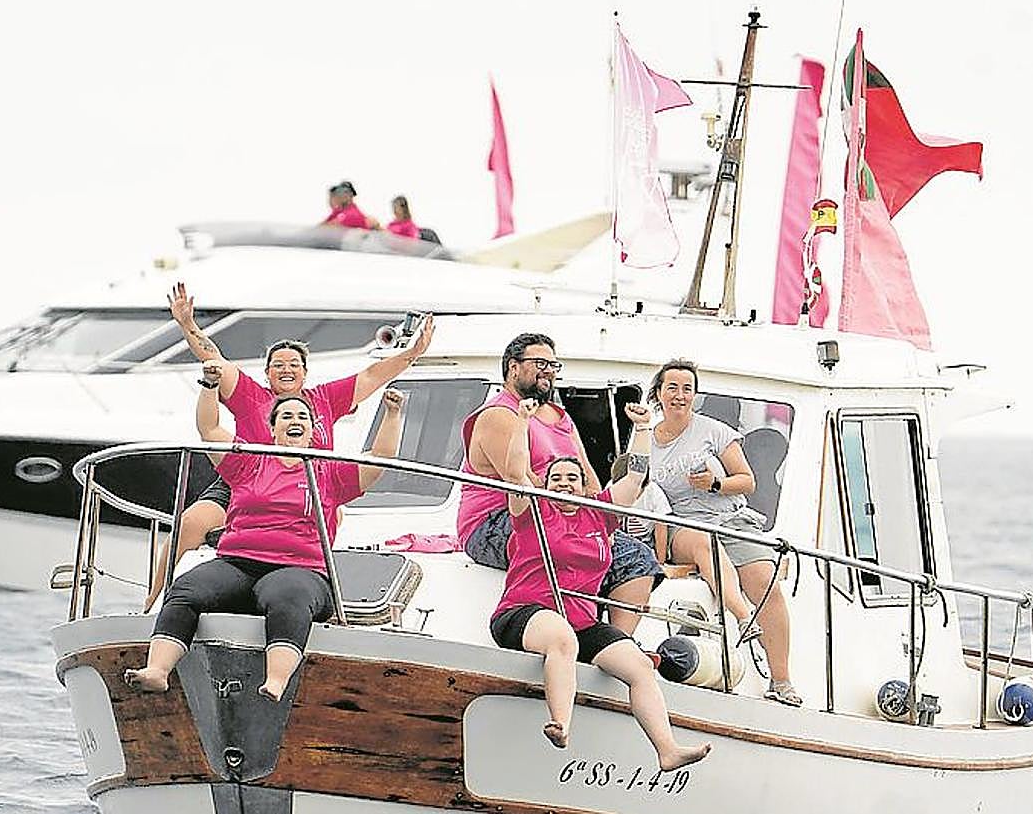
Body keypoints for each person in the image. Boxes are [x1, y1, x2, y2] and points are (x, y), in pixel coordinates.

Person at [143, 282, 432, 610]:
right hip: (245, 482)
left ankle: (320, 596)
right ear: (267, 374)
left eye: (294, 364)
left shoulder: (324, 399)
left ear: (305, 373)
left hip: (311, 487)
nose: (286, 369)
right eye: (278, 365)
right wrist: (187, 324)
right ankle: (153, 602)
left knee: (333, 515)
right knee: (191, 522)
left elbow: (371, 376)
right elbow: (214, 359)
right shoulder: (252, 396)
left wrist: (411, 353)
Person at [126, 364, 407, 701]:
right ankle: (157, 671)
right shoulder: (250, 463)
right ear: (272, 429)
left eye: (303, 416)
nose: (295, 420)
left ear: (314, 429)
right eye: (286, 416)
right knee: (187, 588)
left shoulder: (330, 473)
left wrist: (392, 414)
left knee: (289, 597)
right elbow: (210, 428)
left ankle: (275, 681)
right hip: (238, 563)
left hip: (300, 568)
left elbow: (381, 459)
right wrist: (210, 385)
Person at [491, 397, 711, 770]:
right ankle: (560, 724)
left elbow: (636, 477)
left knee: (638, 665)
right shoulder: (534, 511)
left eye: (571, 479)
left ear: (583, 487)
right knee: (562, 639)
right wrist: (523, 422)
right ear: (545, 485)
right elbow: (515, 473)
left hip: (582, 620)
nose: (563, 484)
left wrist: (642, 429)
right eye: (555, 479)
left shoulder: (599, 516)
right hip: (523, 612)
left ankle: (667, 749)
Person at [456, 333, 664, 633]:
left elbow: (588, 477)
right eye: (540, 363)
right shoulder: (498, 415)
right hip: (500, 520)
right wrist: (586, 528)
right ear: (513, 367)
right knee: (594, 551)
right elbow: (524, 481)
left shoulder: (560, 416)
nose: (549, 371)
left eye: (554, 365)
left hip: (562, 512)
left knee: (637, 558)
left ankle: (616, 641)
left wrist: (602, 525)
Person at [647, 359, 802, 707]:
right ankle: (741, 616)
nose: (680, 395)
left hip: (730, 520)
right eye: (672, 387)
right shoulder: (645, 439)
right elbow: (644, 495)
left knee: (766, 582)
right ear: (658, 393)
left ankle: (781, 680)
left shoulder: (714, 431)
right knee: (705, 545)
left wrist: (715, 484)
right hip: (680, 524)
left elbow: (746, 481)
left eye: (688, 388)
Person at [609, 454, 764, 644]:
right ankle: (620, 642)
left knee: (705, 544)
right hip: (621, 547)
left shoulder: (653, 493)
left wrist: (660, 561)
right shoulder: (612, 490)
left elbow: (661, 526)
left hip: (648, 549)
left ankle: (744, 617)